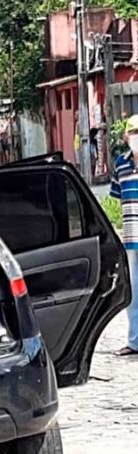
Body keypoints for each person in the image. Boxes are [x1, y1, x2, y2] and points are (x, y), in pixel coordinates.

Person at [111, 114, 138, 356]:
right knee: (133, 291)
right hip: (131, 237)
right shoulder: (121, 163)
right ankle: (135, 341)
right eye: (134, 133)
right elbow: (118, 198)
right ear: (126, 137)